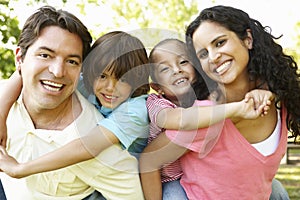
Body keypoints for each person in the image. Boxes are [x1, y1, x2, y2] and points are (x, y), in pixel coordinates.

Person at [140, 5, 300, 200]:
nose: (214, 57)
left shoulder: (279, 97)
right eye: (203, 54)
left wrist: (270, 92)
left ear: (247, 39)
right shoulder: (207, 117)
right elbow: (149, 160)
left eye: (220, 43)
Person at [0, 6, 146, 200]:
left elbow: (88, 148)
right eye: (45, 55)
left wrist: (20, 169)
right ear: (20, 58)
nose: (58, 71)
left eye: (71, 61)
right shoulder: (85, 83)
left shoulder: (129, 117)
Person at [142, 38, 274, 199]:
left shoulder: (206, 97)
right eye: (165, 69)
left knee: (273, 188)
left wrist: (261, 93)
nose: (177, 70)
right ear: (157, 87)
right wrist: (236, 109)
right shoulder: (157, 103)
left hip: (202, 172)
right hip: (170, 178)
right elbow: (174, 120)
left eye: (183, 62)